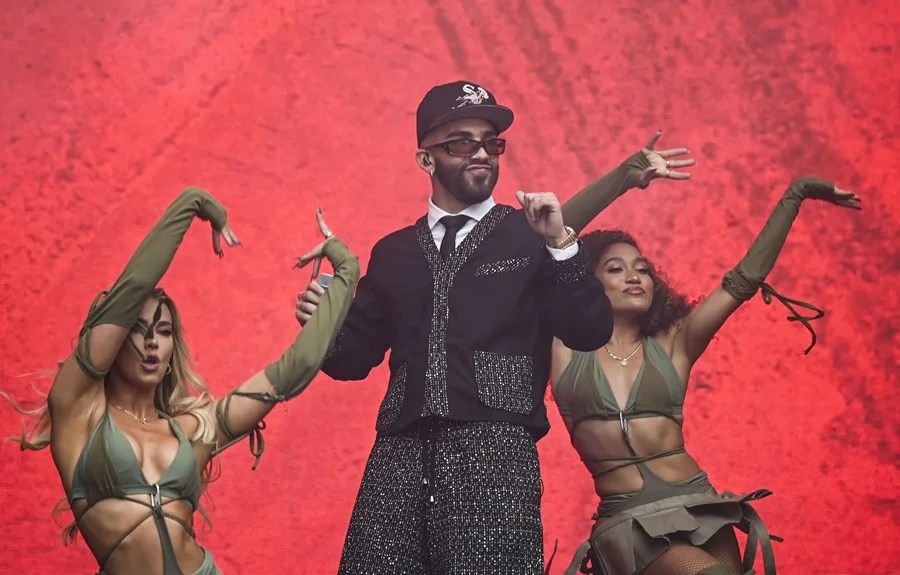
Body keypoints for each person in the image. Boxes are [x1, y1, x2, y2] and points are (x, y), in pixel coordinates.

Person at [294, 81, 693, 574]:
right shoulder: (393, 253)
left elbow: (588, 331)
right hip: (397, 457)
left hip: (496, 453)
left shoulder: (530, 235)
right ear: (426, 160)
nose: (482, 152)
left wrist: (564, 247)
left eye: (491, 142)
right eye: (463, 142)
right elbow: (352, 362)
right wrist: (323, 321)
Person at [5, 188, 359, 575]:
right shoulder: (78, 410)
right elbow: (134, 286)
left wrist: (346, 270)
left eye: (163, 330)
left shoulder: (195, 429)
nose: (152, 342)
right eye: (137, 330)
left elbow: (292, 371)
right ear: (116, 338)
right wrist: (195, 204)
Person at [551, 177, 861, 575]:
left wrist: (796, 194)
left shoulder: (674, 342)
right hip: (630, 522)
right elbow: (542, 245)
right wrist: (628, 174)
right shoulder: (563, 346)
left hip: (701, 507)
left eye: (642, 270)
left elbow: (743, 281)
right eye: (615, 268)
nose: (634, 277)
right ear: (588, 282)